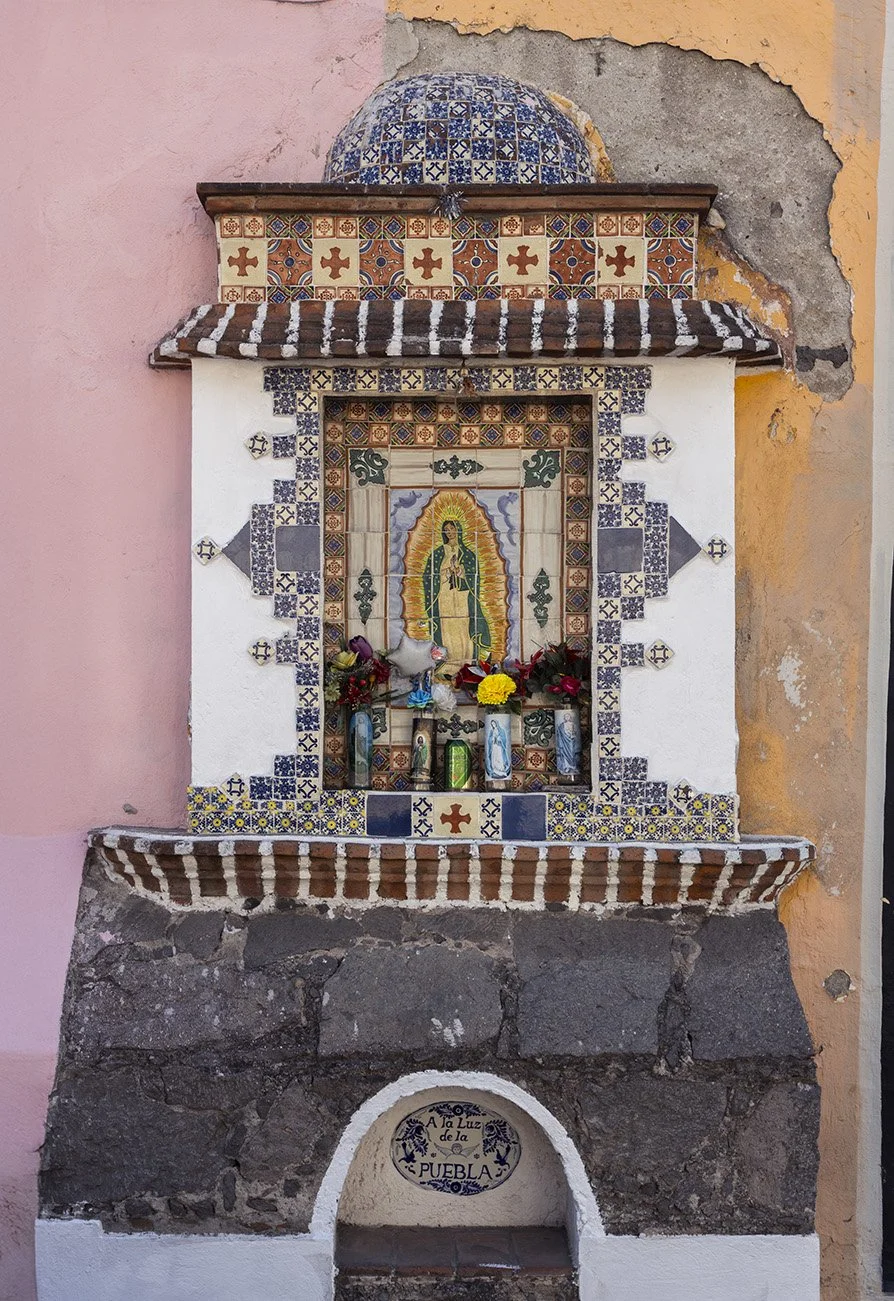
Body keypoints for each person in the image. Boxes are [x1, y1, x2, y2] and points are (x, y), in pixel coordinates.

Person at [422, 519, 492, 674]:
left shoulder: (468, 554)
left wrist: (461, 573)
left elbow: (475, 578)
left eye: (452, 528)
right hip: (444, 596)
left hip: (462, 596)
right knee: (447, 628)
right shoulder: (438, 553)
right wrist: (446, 573)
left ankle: (467, 663)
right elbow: (428, 576)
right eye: (446, 529)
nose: (449, 532)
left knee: (463, 628)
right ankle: (449, 664)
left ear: (458, 530)